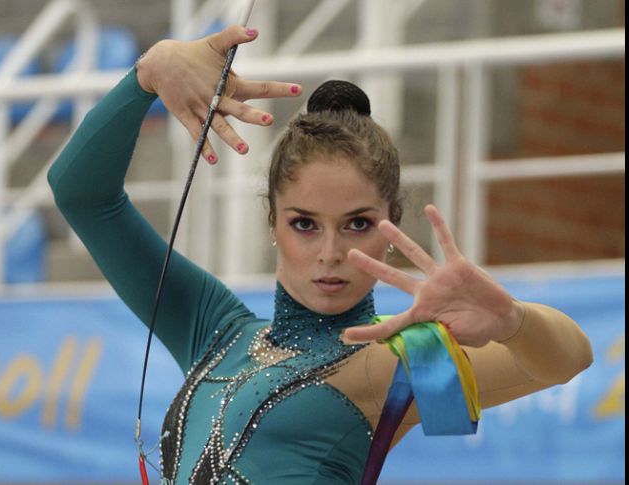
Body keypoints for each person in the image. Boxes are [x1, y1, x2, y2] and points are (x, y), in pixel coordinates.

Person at [47, 24, 593, 485]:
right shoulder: (213, 328)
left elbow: (570, 359)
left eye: (357, 224)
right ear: (273, 224)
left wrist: (514, 320)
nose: (330, 253)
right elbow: (81, 195)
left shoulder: (388, 362)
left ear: (390, 228)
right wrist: (153, 68)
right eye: (305, 224)